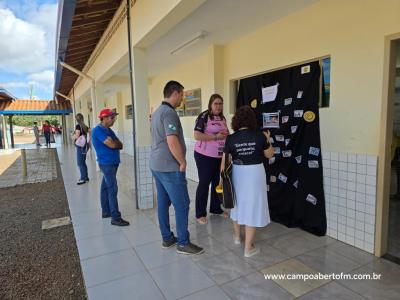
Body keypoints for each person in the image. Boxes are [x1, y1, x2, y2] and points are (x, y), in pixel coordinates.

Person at [150, 80, 204, 255]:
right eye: (182, 94)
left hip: (156, 165)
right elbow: (172, 140)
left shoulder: (157, 112)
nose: (182, 98)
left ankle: (167, 238)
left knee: (163, 203)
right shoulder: (169, 113)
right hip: (169, 167)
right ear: (174, 93)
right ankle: (183, 242)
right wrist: (182, 162)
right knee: (182, 204)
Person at [221, 105, 274, 257]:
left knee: (237, 204)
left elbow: (224, 162)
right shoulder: (260, 136)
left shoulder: (231, 138)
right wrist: (268, 140)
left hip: (237, 172)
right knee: (252, 207)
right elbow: (270, 155)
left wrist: (223, 179)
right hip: (255, 173)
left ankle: (238, 238)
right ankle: (248, 248)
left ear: (236, 120)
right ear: (252, 119)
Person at [193, 94, 229, 224]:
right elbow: (196, 135)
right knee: (204, 183)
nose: (218, 106)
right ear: (211, 104)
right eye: (216, 103)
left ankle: (215, 208)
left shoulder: (222, 118)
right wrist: (215, 137)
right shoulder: (204, 116)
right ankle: (200, 214)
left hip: (219, 156)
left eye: (220, 103)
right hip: (204, 156)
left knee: (216, 183)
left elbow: (225, 133)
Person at [91, 108, 130, 226]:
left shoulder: (109, 130)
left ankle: (106, 211)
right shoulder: (97, 130)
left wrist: (115, 143)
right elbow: (113, 144)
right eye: (112, 117)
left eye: (114, 117)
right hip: (106, 163)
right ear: (104, 118)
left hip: (113, 163)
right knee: (112, 188)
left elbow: (119, 144)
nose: (114, 120)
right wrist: (115, 143)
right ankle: (115, 217)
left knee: (105, 188)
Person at [72, 113, 90, 185]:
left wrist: (72, 136)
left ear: (77, 119)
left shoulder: (78, 126)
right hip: (84, 145)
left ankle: (83, 178)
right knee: (83, 162)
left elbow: (76, 136)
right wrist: (89, 141)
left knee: (80, 163)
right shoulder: (85, 126)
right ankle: (86, 177)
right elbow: (91, 131)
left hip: (80, 146)